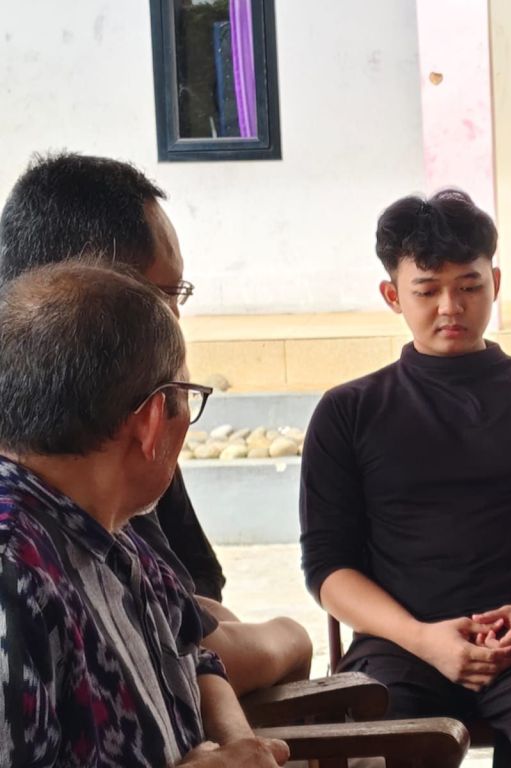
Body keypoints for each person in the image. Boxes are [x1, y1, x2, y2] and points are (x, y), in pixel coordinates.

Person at [300, 189, 511, 768]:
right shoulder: (349, 411)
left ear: (496, 281)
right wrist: (422, 638)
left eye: (469, 286)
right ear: (393, 295)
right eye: (427, 291)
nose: (451, 307)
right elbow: (328, 567)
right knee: (378, 745)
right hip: (399, 645)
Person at [0, 152, 311, 694]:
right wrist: (291, 638)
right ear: (82, 289)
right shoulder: (19, 564)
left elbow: (186, 621)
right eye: (164, 294)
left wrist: (230, 730)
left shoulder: (123, 469)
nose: (174, 319)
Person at [0, 261, 289, 767]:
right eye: (188, 397)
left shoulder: (109, 533)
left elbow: (194, 654)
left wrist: (241, 746)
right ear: (154, 420)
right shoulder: (13, 574)